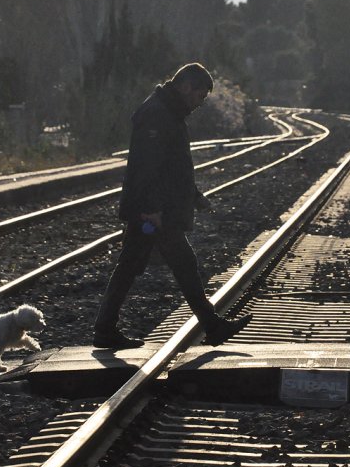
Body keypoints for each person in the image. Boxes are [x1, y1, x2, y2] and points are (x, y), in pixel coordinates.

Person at [92, 62, 251, 350]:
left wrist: (194, 195)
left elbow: (173, 166)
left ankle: (105, 329)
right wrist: (152, 209)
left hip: (157, 209)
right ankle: (211, 326)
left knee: (135, 267)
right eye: (199, 96)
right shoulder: (157, 114)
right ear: (186, 86)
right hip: (153, 211)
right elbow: (148, 167)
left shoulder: (168, 112)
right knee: (179, 265)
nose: (199, 103)